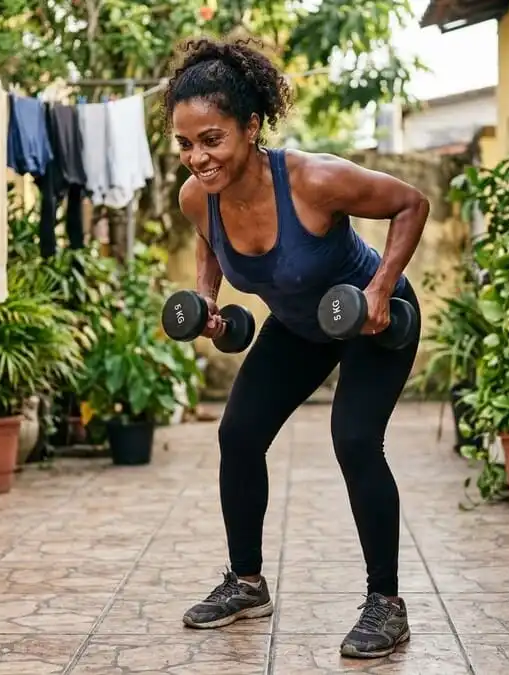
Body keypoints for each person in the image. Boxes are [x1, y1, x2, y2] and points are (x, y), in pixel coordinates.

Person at [162, 36, 430, 660]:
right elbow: (209, 242)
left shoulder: (313, 178)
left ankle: (386, 604)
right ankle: (246, 583)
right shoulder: (198, 197)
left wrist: (382, 290)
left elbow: (411, 203)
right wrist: (207, 301)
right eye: (185, 143)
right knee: (239, 434)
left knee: (355, 439)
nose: (198, 158)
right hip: (301, 324)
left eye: (212, 139)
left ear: (251, 127)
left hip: (367, 317)